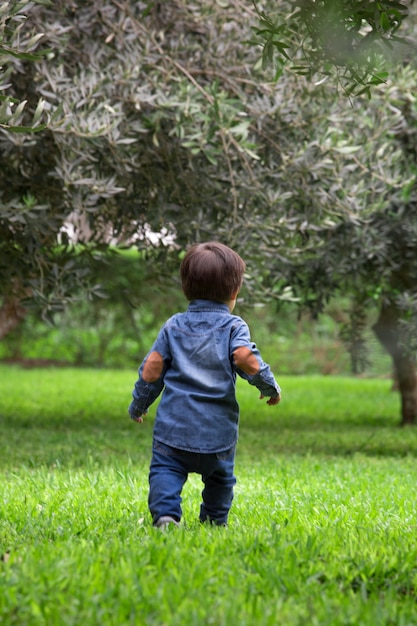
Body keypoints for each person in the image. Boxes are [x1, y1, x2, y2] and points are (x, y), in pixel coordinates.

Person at [128, 241, 281, 529]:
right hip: (217, 433)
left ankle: (166, 516)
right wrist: (269, 387)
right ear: (234, 292)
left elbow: (152, 367)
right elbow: (244, 358)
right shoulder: (234, 326)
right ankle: (214, 520)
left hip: (173, 428)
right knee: (221, 478)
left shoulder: (173, 325)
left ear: (186, 288)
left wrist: (139, 404)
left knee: (165, 470)